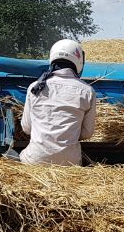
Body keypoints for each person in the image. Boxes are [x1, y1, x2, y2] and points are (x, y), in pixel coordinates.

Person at [19, 39, 96, 167]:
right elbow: (87, 133)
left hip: (35, 160)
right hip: (69, 163)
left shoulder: (35, 87)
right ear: (78, 61)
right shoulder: (88, 91)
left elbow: (26, 128)